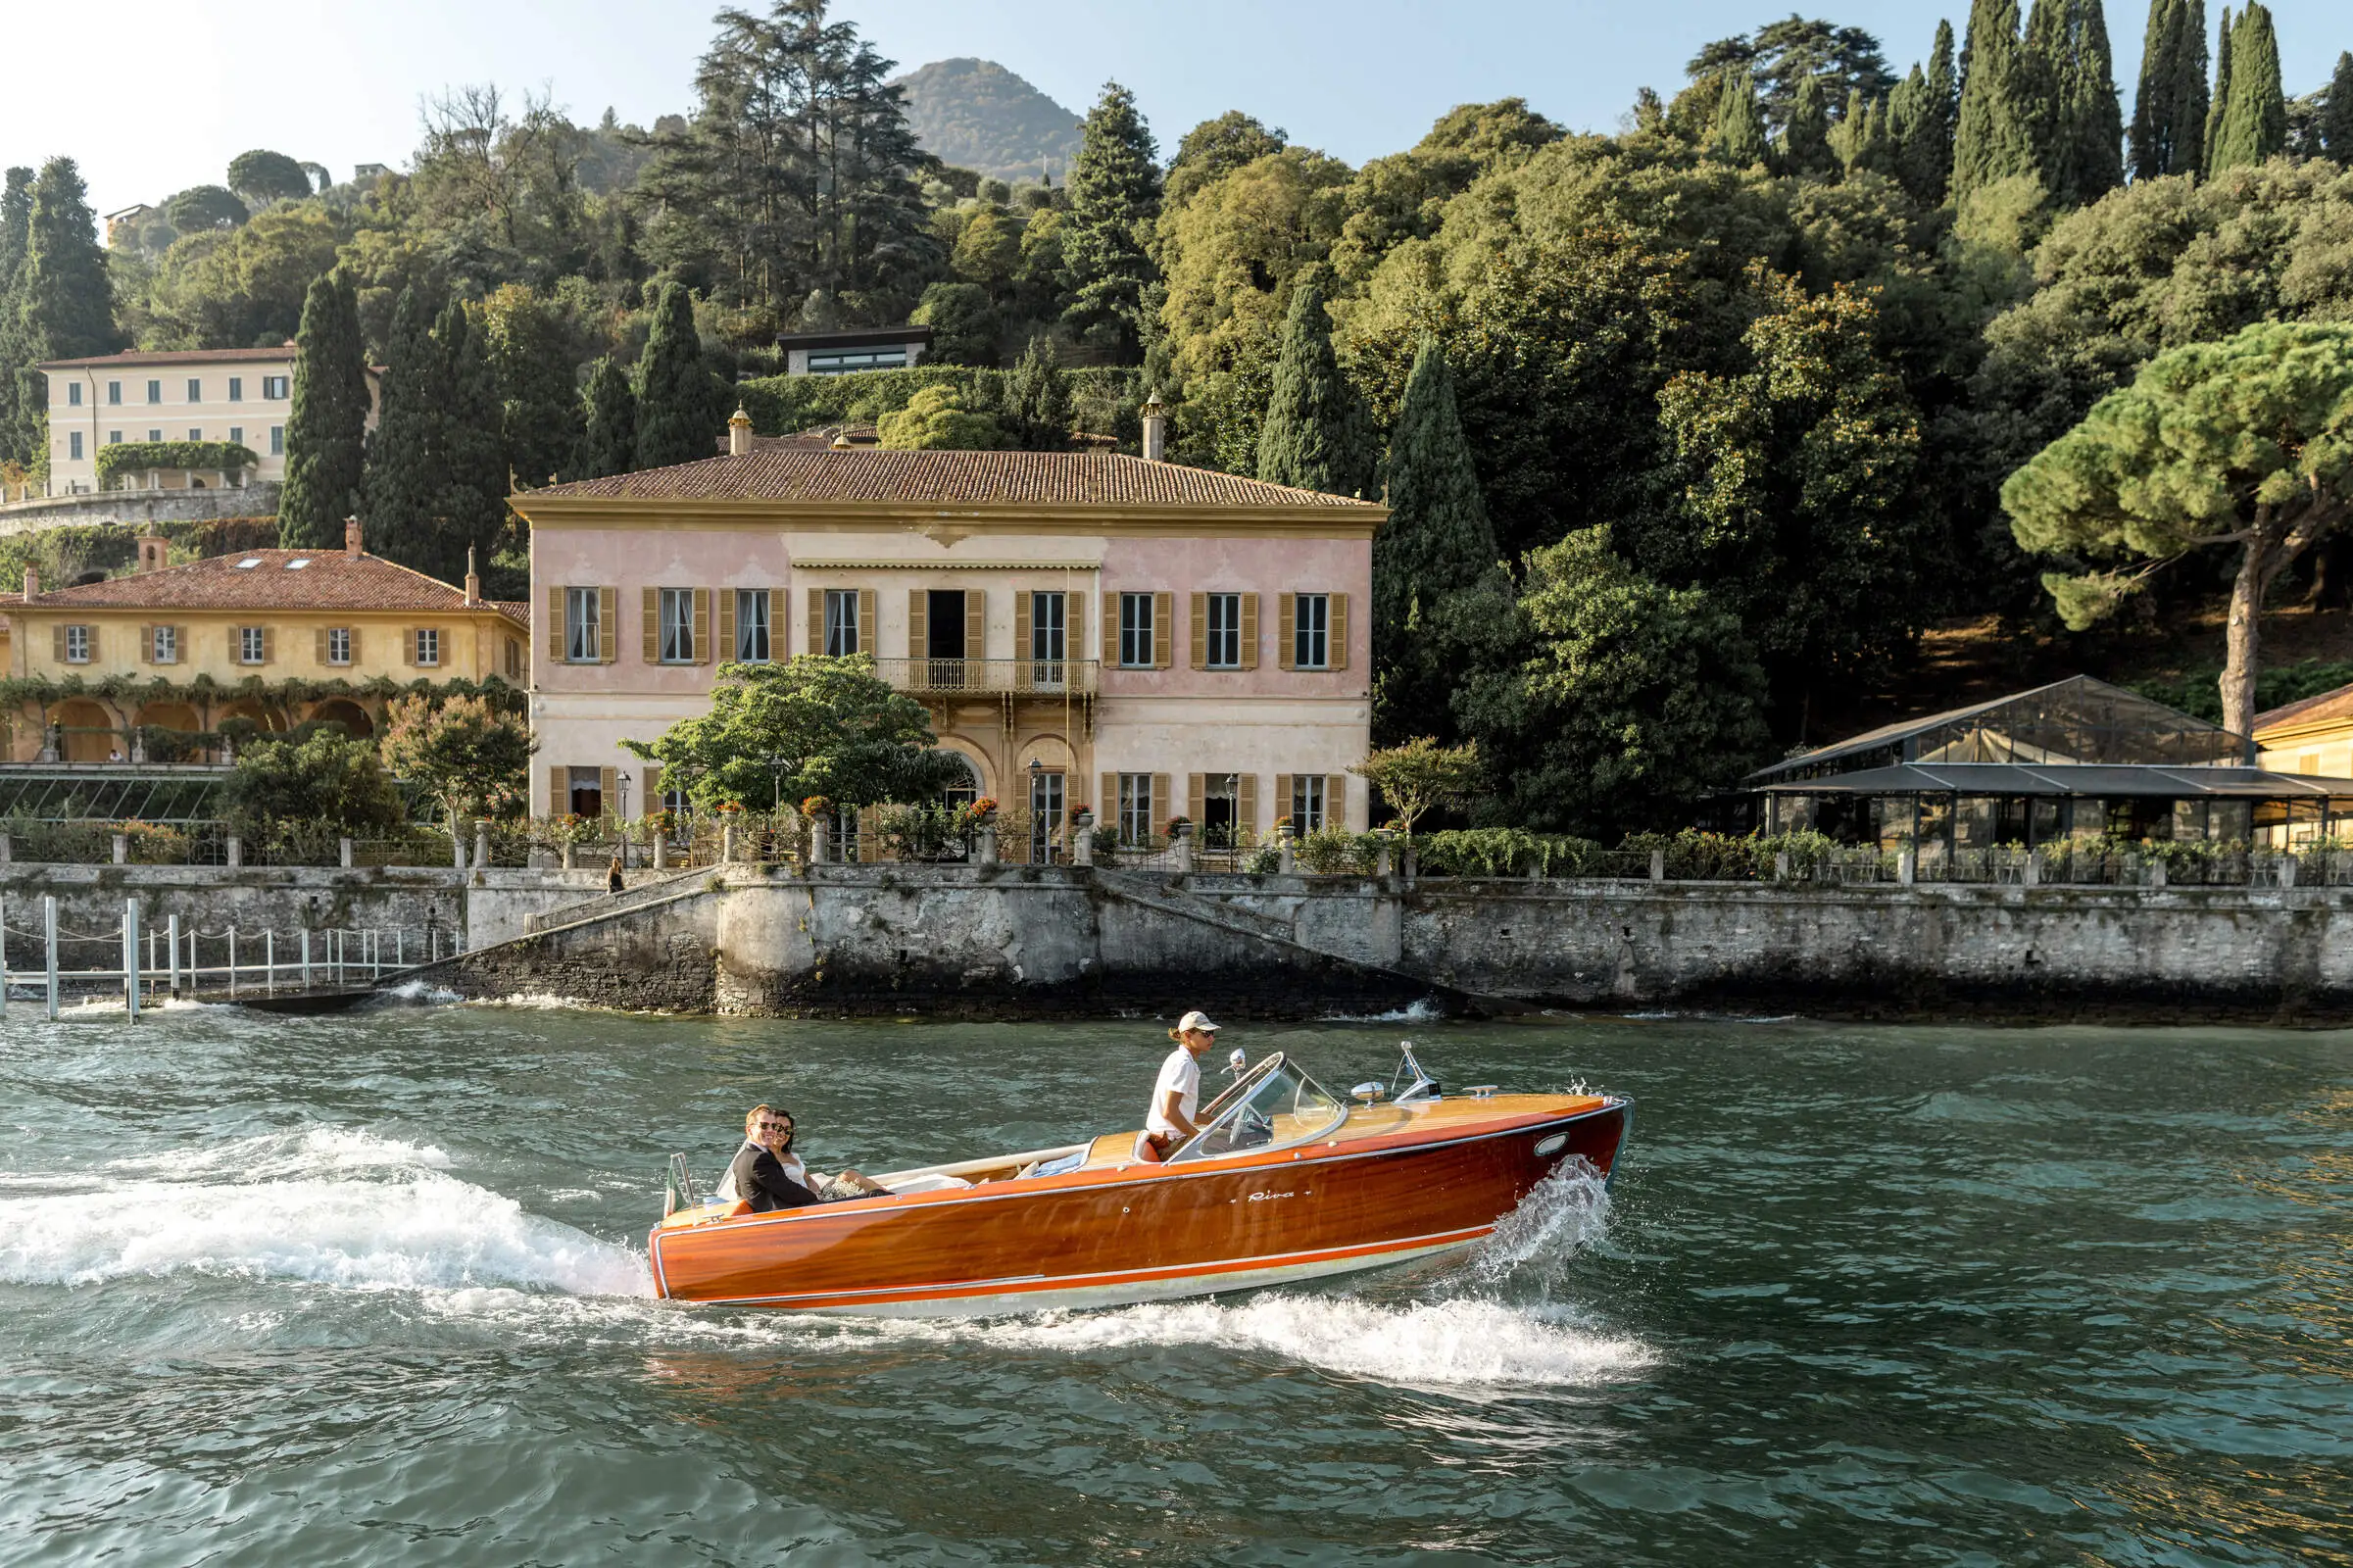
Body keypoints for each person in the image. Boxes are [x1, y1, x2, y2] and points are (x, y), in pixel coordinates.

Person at [1138, 1010, 1218, 1162]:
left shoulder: (1177, 1058)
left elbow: (1182, 1111)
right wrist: (1199, 1138)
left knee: (1221, 1138)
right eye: (1206, 1034)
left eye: (1212, 1033)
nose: (1212, 1038)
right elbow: (1169, 1112)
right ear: (1187, 1035)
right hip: (1172, 1145)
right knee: (1231, 1147)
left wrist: (1214, 1120)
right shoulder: (1184, 1064)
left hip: (1167, 1139)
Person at [714, 1104, 822, 1212]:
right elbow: (788, 1191)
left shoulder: (742, 1157)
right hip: (775, 1216)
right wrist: (817, 1198)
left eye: (774, 1126)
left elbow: (741, 1193)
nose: (771, 1130)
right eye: (764, 1126)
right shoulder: (759, 1159)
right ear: (750, 1130)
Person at [765, 1106, 890, 1200]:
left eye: (787, 1130)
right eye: (778, 1128)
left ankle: (891, 1196)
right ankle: (890, 1198)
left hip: (817, 1198)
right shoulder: (766, 1159)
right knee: (853, 1180)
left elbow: (808, 1180)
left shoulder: (791, 1156)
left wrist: (817, 1195)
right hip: (804, 1204)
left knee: (848, 1175)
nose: (782, 1133)